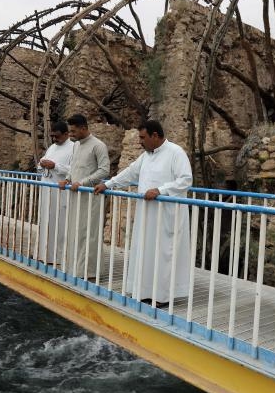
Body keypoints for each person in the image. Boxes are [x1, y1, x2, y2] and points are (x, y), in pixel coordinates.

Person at [94, 120, 192, 307]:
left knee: (164, 253)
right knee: (145, 252)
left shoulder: (176, 152)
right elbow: (130, 173)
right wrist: (108, 184)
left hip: (167, 215)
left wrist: (160, 190)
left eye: (142, 137)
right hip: (147, 214)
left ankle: (162, 297)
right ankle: (144, 291)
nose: (140, 141)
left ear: (155, 136)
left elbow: (186, 180)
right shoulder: (146, 156)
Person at [58, 113, 109, 279]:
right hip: (76, 196)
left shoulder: (98, 146)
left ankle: (90, 271)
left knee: (89, 233)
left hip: (90, 197)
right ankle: (76, 268)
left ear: (83, 128)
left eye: (73, 131)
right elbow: (74, 167)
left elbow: (104, 170)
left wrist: (82, 182)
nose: (71, 134)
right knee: (75, 231)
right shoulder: (76, 145)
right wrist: (67, 179)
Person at [36, 121, 75, 264]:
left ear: (66, 134)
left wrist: (55, 166)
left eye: (57, 136)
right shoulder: (52, 147)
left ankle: (58, 257)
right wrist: (42, 164)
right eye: (52, 136)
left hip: (60, 193)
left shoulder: (73, 148)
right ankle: (43, 254)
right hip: (46, 190)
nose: (54, 139)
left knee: (59, 224)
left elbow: (74, 170)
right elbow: (40, 167)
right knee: (45, 222)